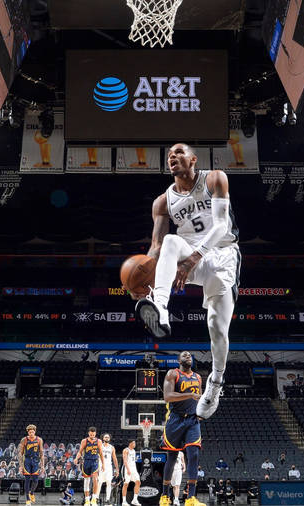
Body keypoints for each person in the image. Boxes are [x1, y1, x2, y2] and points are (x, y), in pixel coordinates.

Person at [133, 143, 240, 421]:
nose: (173, 156)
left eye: (179, 152)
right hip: (186, 258)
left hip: (221, 254)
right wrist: (143, 276)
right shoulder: (163, 201)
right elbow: (156, 248)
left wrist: (194, 258)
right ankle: (161, 308)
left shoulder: (215, 178)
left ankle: (215, 383)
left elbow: (221, 226)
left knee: (217, 327)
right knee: (169, 240)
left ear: (193, 159)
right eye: (169, 154)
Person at [159, 351, 204, 506]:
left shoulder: (198, 377)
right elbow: (167, 396)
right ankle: (165, 496)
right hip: (176, 419)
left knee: (194, 455)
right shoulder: (173, 373)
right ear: (178, 360)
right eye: (184, 355)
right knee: (172, 457)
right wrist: (190, 395)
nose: (188, 356)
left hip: (192, 419)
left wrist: (202, 412)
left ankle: (191, 498)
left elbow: (200, 398)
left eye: (190, 355)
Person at [73, 426, 104, 506]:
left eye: (93, 435)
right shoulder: (84, 441)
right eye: (91, 435)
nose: (92, 436)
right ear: (88, 433)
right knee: (87, 481)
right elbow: (80, 452)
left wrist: (103, 464)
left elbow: (101, 453)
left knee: (95, 478)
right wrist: (76, 458)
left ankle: (94, 499)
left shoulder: (99, 441)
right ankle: (87, 500)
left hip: (95, 462)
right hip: (86, 461)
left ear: (95, 434)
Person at [19, 424, 45, 506]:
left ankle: (32, 492)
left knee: (35, 480)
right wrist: (20, 465)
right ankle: (27, 500)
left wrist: (42, 465)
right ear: (28, 432)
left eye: (32, 432)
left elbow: (41, 453)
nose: (31, 434)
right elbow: (20, 453)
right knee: (27, 480)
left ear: (35, 432)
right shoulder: (24, 440)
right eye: (30, 432)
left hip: (35, 460)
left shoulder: (39, 440)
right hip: (27, 460)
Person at [99, 433, 119, 505]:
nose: (107, 438)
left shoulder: (112, 447)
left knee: (108, 482)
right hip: (100, 466)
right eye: (105, 437)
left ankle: (107, 499)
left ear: (109, 439)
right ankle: (96, 498)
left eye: (108, 437)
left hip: (109, 467)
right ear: (103, 438)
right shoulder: (100, 446)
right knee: (99, 482)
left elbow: (114, 458)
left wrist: (117, 469)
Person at [121, 439, 141, 506]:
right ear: (130, 443)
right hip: (127, 469)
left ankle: (134, 500)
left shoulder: (134, 451)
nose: (135, 444)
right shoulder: (126, 450)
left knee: (138, 482)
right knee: (126, 484)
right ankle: (124, 501)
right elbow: (125, 461)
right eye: (134, 443)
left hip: (134, 469)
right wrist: (128, 469)